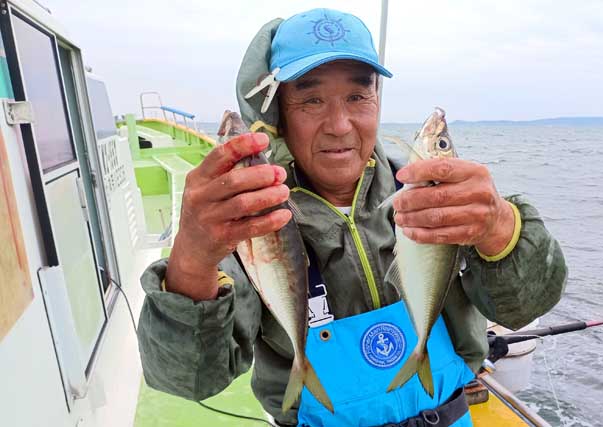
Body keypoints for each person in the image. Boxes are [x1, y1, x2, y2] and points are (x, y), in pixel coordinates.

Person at [137, 8, 567, 427]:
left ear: (377, 99)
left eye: (358, 96)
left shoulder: (435, 196)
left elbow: (527, 306)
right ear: (278, 115)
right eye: (311, 100)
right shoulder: (253, 221)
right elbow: (187, 380)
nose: (340, 125)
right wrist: (192, 259)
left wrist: (500, 228)